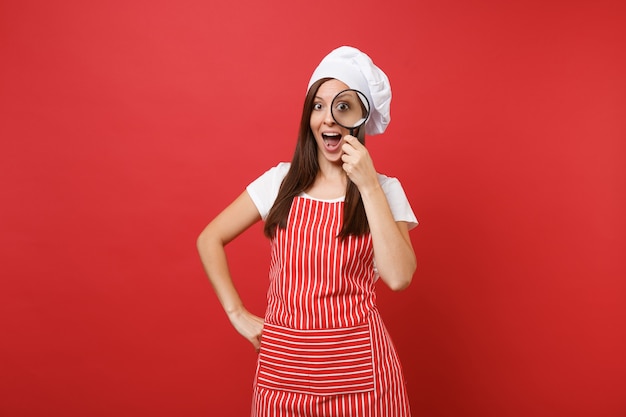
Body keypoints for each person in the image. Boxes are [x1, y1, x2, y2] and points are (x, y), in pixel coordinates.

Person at [197, 46, 418, 417]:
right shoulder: (280, 182)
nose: (328, 119)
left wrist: (367, 186)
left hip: (361, 381)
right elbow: (209, 239)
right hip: (282, 377)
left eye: (343, 106)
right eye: (318, 106)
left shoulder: (384, 190)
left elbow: (398, 278)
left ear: (362, 117)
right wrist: (237, 313)